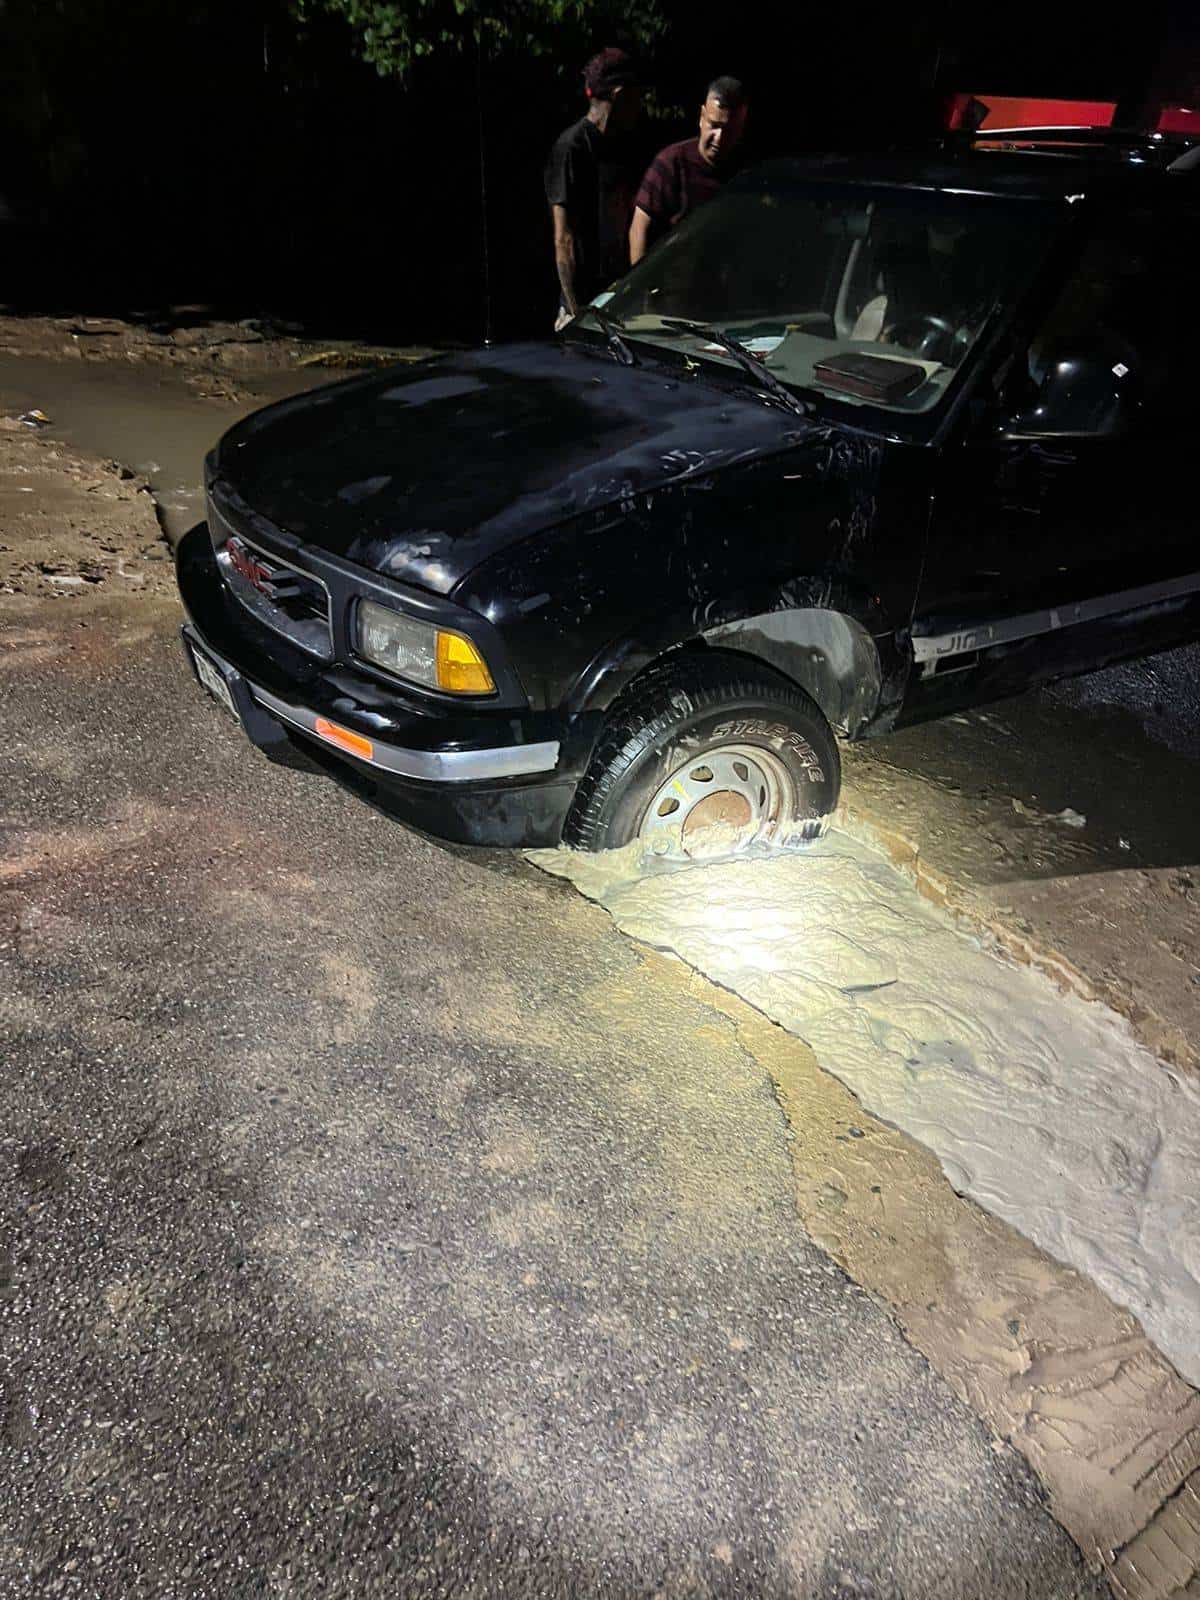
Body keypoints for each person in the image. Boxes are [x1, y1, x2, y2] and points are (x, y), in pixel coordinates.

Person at [544, 47, 644, 331]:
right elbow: (563, 238)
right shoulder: (572, 148)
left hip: (616, 299)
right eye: (636, 96)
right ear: (621, 94)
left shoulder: (624, 145)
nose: (640, 106)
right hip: (582, 304)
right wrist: (575, 311)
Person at [629, 77, 748, 266]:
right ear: (702, 117)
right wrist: (641, 291)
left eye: (729, 130)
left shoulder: (744, 175)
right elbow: (639, 229)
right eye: (714, 125)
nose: (719, 138)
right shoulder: (671, 164)